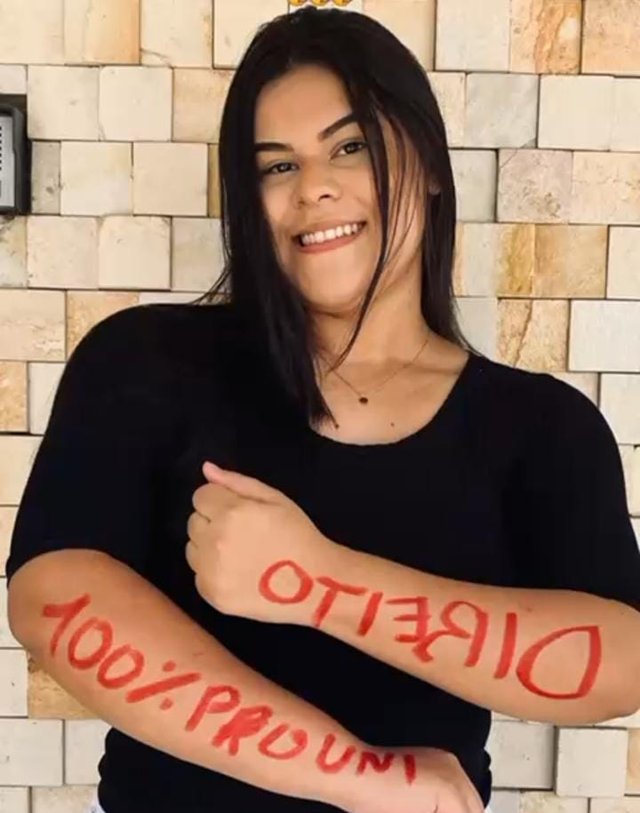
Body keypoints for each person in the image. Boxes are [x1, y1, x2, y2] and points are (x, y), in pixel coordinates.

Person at [6, 6, 640, 813]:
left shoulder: (542, 427)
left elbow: (620, 663)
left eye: (351, 146)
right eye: (277, 166)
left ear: (430, 163)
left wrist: (314, 581)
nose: (314, 187)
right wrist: (367, 779)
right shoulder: (146, 360)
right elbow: (53, 595)